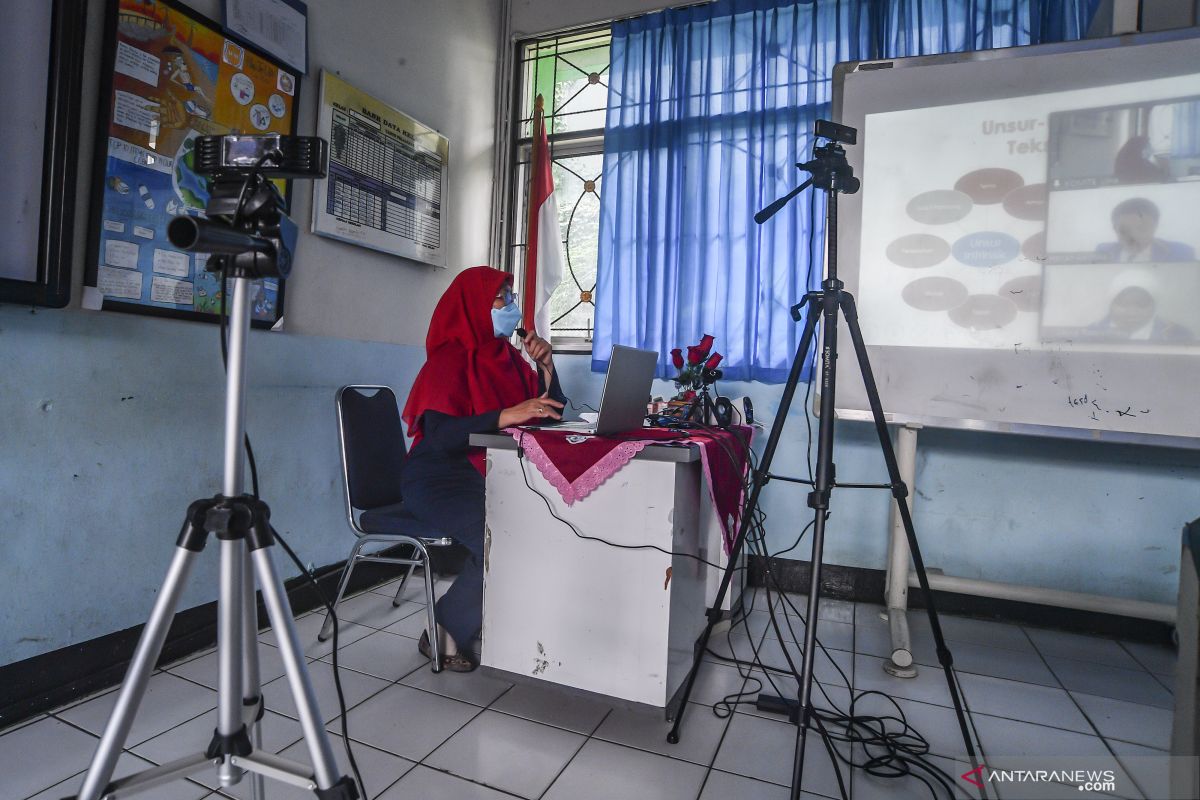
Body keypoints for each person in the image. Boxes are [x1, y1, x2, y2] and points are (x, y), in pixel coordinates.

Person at [400, 266, 566, 671]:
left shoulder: (508, 358)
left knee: (533, 528)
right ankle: (443, 628)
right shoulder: (448, 359)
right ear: (472, 305)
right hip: (438, 476)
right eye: (501, 298)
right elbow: (439, 436)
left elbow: (551, 413)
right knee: (502, 537)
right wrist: (505, 415)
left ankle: (463, 622)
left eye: (511, 296)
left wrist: (547, 368)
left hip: (489, 473)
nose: (511, 305)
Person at [1086, 271, 1195, 343]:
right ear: (1110, 304)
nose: (1132, 312)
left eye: (1142, 304)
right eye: (1123, 304)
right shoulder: (1088, 333)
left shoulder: (1178, 335)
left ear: (1154, 305)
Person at [1095, 198, 1195, 263]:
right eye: (1125, 230)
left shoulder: (1181, 253)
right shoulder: (1102, 252)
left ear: (1155, 226)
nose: (1133, 236)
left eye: (1141, 228)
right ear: (1115, 229)